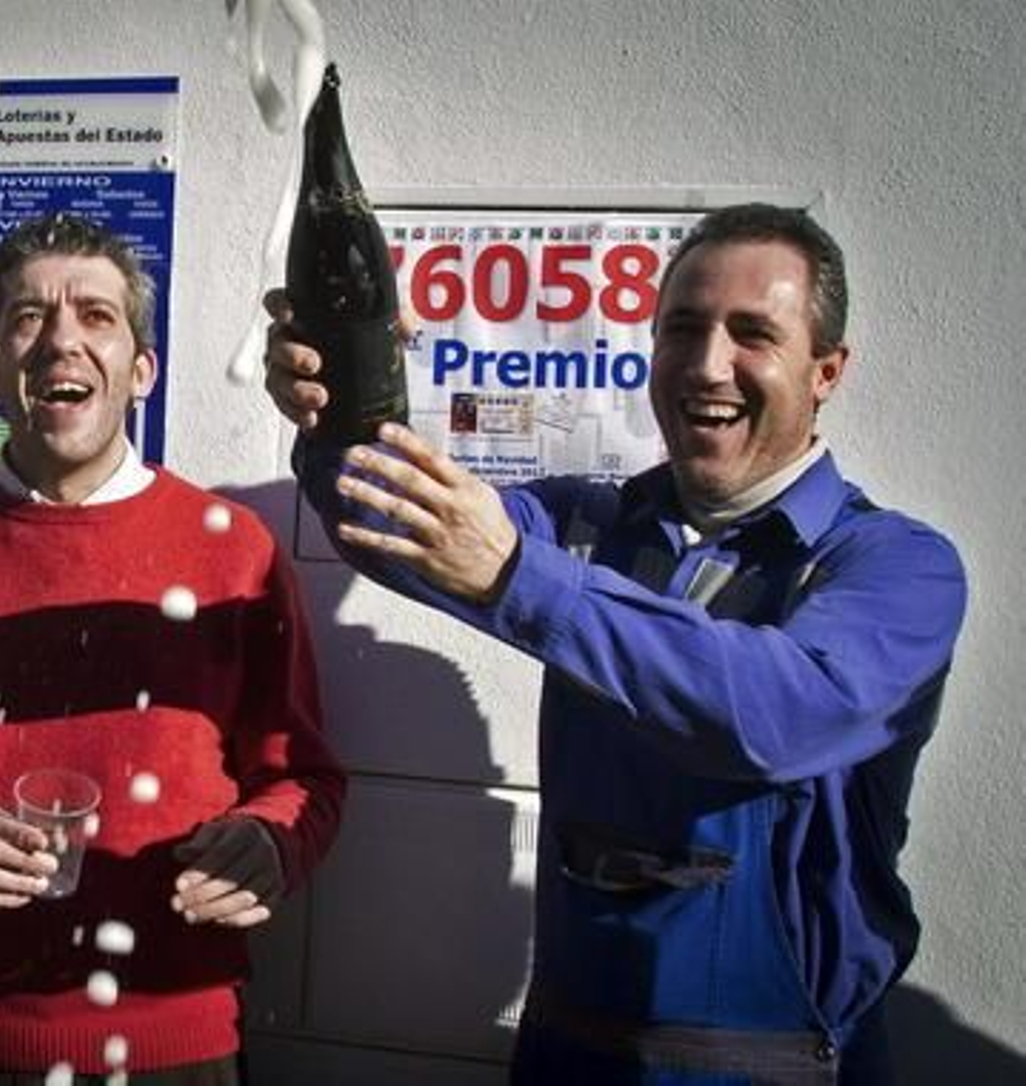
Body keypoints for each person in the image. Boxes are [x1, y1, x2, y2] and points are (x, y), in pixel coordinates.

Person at [265, 203, 966, 1084]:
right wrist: (345, 397)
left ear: (827, 369)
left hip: (777, 1066)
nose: (709, 364)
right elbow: (385, 519)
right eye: (683, 328)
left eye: (754, 334)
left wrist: (521, 578)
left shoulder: (897, 565)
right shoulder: (586, 520)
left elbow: (781, 715)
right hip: (569, 1050)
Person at [0, 213, 345, 1084]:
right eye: (29, 317)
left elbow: (306, 780)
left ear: (142, 370)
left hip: (175, 1047)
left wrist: (270, 843)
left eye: (95, 315)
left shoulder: (232, 550)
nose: (62, 338)